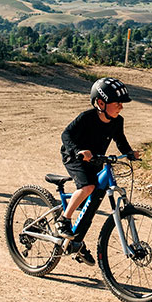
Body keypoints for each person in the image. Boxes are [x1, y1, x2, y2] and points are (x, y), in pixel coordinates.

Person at [57, 77, 141, 266]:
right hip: (75, 158)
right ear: (101, 102)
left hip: (95, 160)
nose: (121, 107)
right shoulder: (86, 118)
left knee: (95, 199)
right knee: (87, 187)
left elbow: (120, 139)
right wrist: (78, 151)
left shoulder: (117, 121)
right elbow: (66, 135)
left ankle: (76, 242)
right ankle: (64, 219)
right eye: (117, 103)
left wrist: (128, 152)